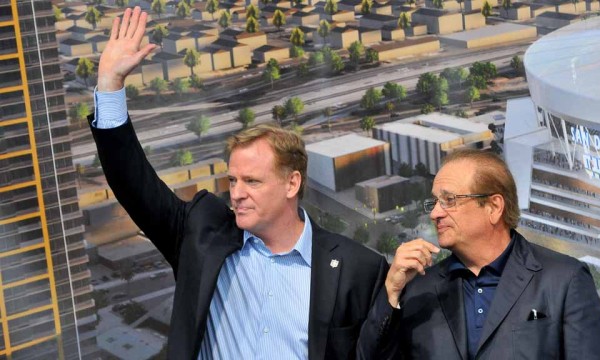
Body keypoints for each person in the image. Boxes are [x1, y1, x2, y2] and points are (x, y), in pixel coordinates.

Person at [91, 7, 388, 359]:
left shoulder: (359, 268)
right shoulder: (202, 234)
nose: (237, 193)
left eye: (252, 181)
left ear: (292, 183)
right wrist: (110, 85)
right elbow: (133, 183)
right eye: (232, 179)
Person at [358, 149, 600, 359]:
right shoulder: (419, 288)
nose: (435, 213)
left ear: (493, 206)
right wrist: (391, 292)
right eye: (434, 202)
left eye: (449, 200)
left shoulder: (564, 280)